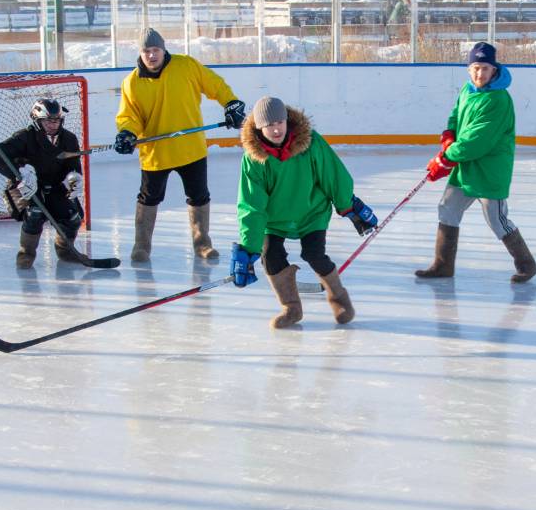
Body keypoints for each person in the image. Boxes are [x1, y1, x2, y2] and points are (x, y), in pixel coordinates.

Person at [230, 96, 378, 328]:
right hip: (275, 219)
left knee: (314, 254)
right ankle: (291, 309)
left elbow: (333, 176)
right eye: (269, 125)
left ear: (287, 120)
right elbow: (252, 206)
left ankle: (339, 297)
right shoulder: (253, 159)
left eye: (280, 121)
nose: (276, 129)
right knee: (270, 257)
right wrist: (249, 248)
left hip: (312, 213)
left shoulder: (310, 143)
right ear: (259, 128)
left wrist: (348, 206)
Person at [114, 27, 246, 262]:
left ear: (164, 50)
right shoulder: (131, 83)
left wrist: (231, 103)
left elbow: (214, 85)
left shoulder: (186, 66)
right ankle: (141, 246)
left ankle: (202, 244)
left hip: (190, 149)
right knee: (149, 198)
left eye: (156, 50)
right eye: (147, 51)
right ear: (141, 53)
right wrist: (126, 132)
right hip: (156, 153)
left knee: (198, 196)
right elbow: (129, 116)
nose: (152, 55)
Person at [416, 41, 536, 283]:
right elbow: (456, 114)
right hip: (465, 166)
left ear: (494, 70)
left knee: (497, 220)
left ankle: (526, 264)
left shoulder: (498, 100)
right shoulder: (467, 89)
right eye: (475, 68)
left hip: (489, 168)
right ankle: (442, 265)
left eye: (484, 68)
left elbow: (477, 140)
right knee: (448, 208)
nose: (479, 73)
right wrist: (449, 135)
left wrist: (446, 158)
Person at [0, 98, 85, 269]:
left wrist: (74, 178)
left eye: (57, 121)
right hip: (28, 188)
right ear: (37, 120)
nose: (53, 125)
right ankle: (26, 253)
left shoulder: (69, 139)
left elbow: (74, 166)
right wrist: (19, 172)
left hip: (56, 187)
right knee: (35, 214)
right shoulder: (24, 137)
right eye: (48, 121)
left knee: (73, 217)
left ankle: (65, 251)